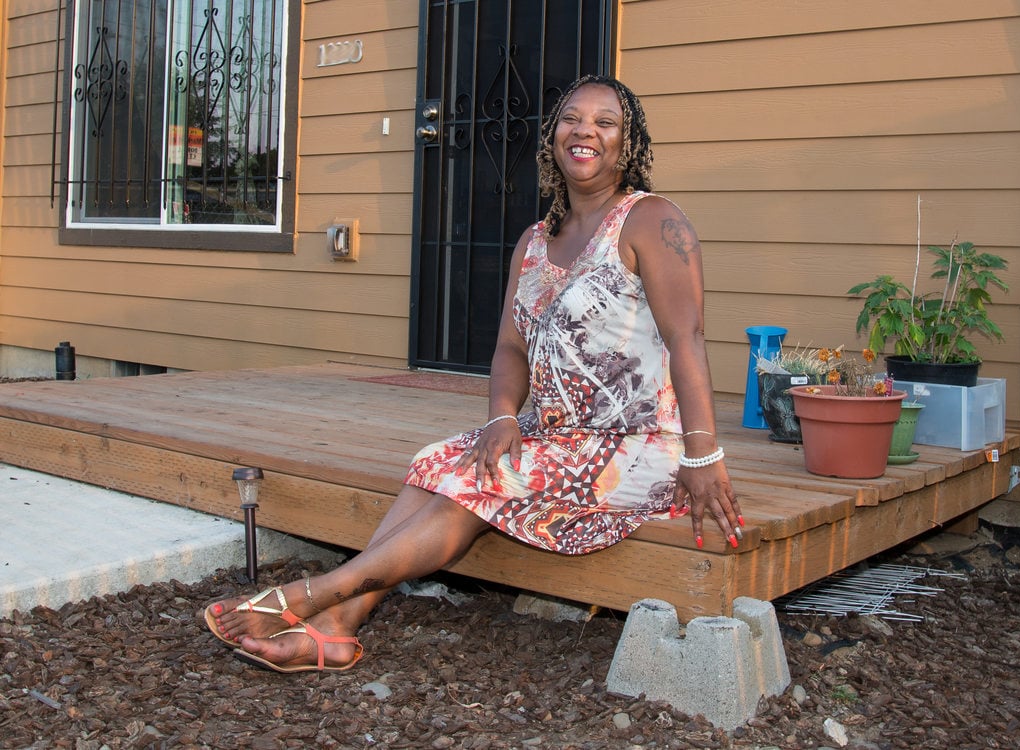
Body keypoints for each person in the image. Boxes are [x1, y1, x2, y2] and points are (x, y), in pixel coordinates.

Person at [204, 75, 742, 672]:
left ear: (627, 144)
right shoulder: (536, 241)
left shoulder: (651, 221)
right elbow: (510, 347)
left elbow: (686, 336)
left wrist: (703, 456)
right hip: (552, 436)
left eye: (606, 122)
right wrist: (502, 417)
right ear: (551, 136)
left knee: (478, 484)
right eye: (571, 118)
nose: (585, 130)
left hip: (636, 449)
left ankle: (318, 595)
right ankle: (338, 627)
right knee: (439, 462)